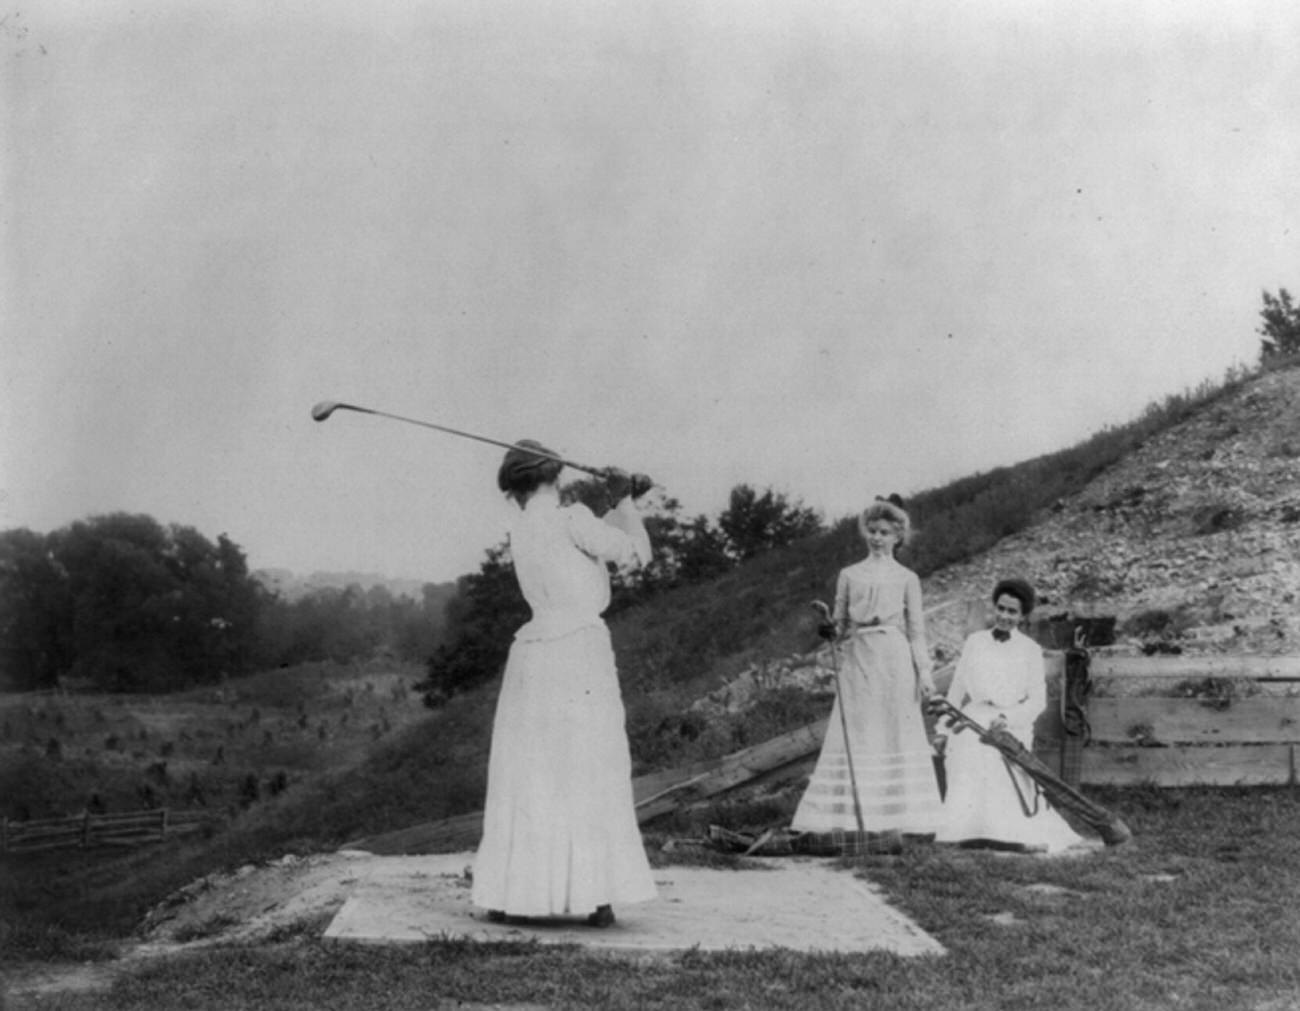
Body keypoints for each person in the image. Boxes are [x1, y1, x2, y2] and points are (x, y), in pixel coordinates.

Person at [471, 440, 657, 928]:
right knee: (586, 764)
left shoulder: (525, 524)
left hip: (534, 651)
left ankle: (514, 891)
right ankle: (595, 895)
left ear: (516, 486)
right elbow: (636, 555)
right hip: (578, 649)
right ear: (556, 476)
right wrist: (624, 503)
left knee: (533, 769)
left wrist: (617, 504)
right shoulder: (573, 518)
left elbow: (584, 548)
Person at [791, 497, 944, 837]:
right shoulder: (850, 574)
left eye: (884, 532)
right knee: (860, 733)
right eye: (872, 531)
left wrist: (925, 674)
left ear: (897, 535)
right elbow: (841, 625)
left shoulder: (907, 578)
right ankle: (849, 817)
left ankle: (899, 819)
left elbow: (916, 632)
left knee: (894, 732)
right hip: (859, 659)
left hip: (894, 659)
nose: (877, 538)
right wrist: (829, 627)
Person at [933, 578, 1086, 853]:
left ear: (1023, 615)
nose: (1004, 616)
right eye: (1001, 608)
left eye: (1012, 612)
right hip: (975, 715)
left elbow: (1037, 701)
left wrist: (1008, 717)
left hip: (1011, 720)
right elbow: (957, 690)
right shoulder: (975, 642)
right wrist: (942, 730)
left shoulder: (1029, 650)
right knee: (966, 749)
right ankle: (966, 830)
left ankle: (1008, 833)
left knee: (997, 754)